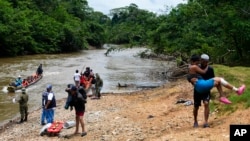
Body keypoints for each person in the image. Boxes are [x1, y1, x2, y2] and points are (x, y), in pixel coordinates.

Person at [193, 54, 214, 128]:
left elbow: (212, 80)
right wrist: (191, 80)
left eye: (206, 61)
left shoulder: (210, 69)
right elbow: (190, 76)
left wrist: (209, 87)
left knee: (206, 103)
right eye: (202, 61)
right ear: (201, 60)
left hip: (206, 89)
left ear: (207, 61)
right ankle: (195, 121)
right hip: (197, 89)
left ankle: (206, 122)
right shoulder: (196, 67)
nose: (204, 62)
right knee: (196, 106)